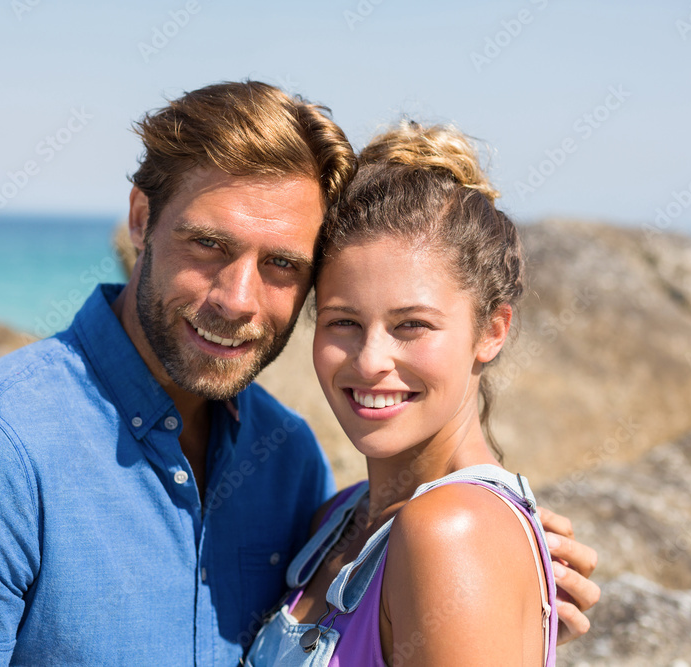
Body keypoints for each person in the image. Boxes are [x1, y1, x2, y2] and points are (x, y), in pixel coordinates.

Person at [0, 82, 598, 666]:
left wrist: (493, 550)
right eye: (208, 244)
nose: (236, 300)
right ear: (140, 221)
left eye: (279, 265)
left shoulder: (289, 462)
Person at [246, 121, 582, 666]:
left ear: (492, 330)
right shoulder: (334, 521)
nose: (371, 360)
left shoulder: (452, 534)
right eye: (343, 322)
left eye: (412, 325)